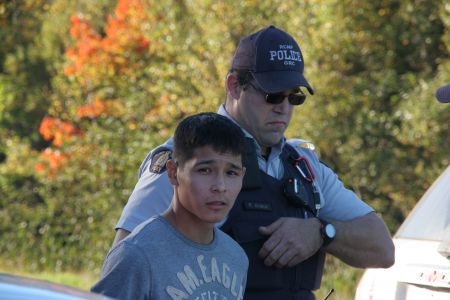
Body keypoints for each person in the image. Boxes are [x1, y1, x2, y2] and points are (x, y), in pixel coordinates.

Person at [112, 25, 395, 300]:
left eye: (294, 96)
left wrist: (321, 232)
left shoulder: (304, 166)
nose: (283, 107)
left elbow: (383, 249)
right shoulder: (186, 158)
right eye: (272, 94)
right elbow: (125, 260)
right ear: (234, 86)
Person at [92, 113, 249, 300]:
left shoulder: (236, 257)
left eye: (231, 173)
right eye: (205, 170)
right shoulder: (137, 254)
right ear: (173, 172)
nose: (220, 186)